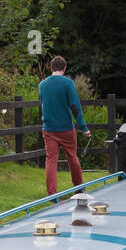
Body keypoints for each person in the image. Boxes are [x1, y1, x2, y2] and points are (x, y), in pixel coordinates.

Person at [38, 55, 90, 195]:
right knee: (72, 158)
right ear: (64, 68)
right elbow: (74, 106)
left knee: (51, 160)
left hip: (49, 129)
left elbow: (43, 104)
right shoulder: (68, 84)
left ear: (51, 68)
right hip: (66, 129)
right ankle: (79, 190)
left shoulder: (42, 85)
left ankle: (52, 194)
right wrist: (83, 127)